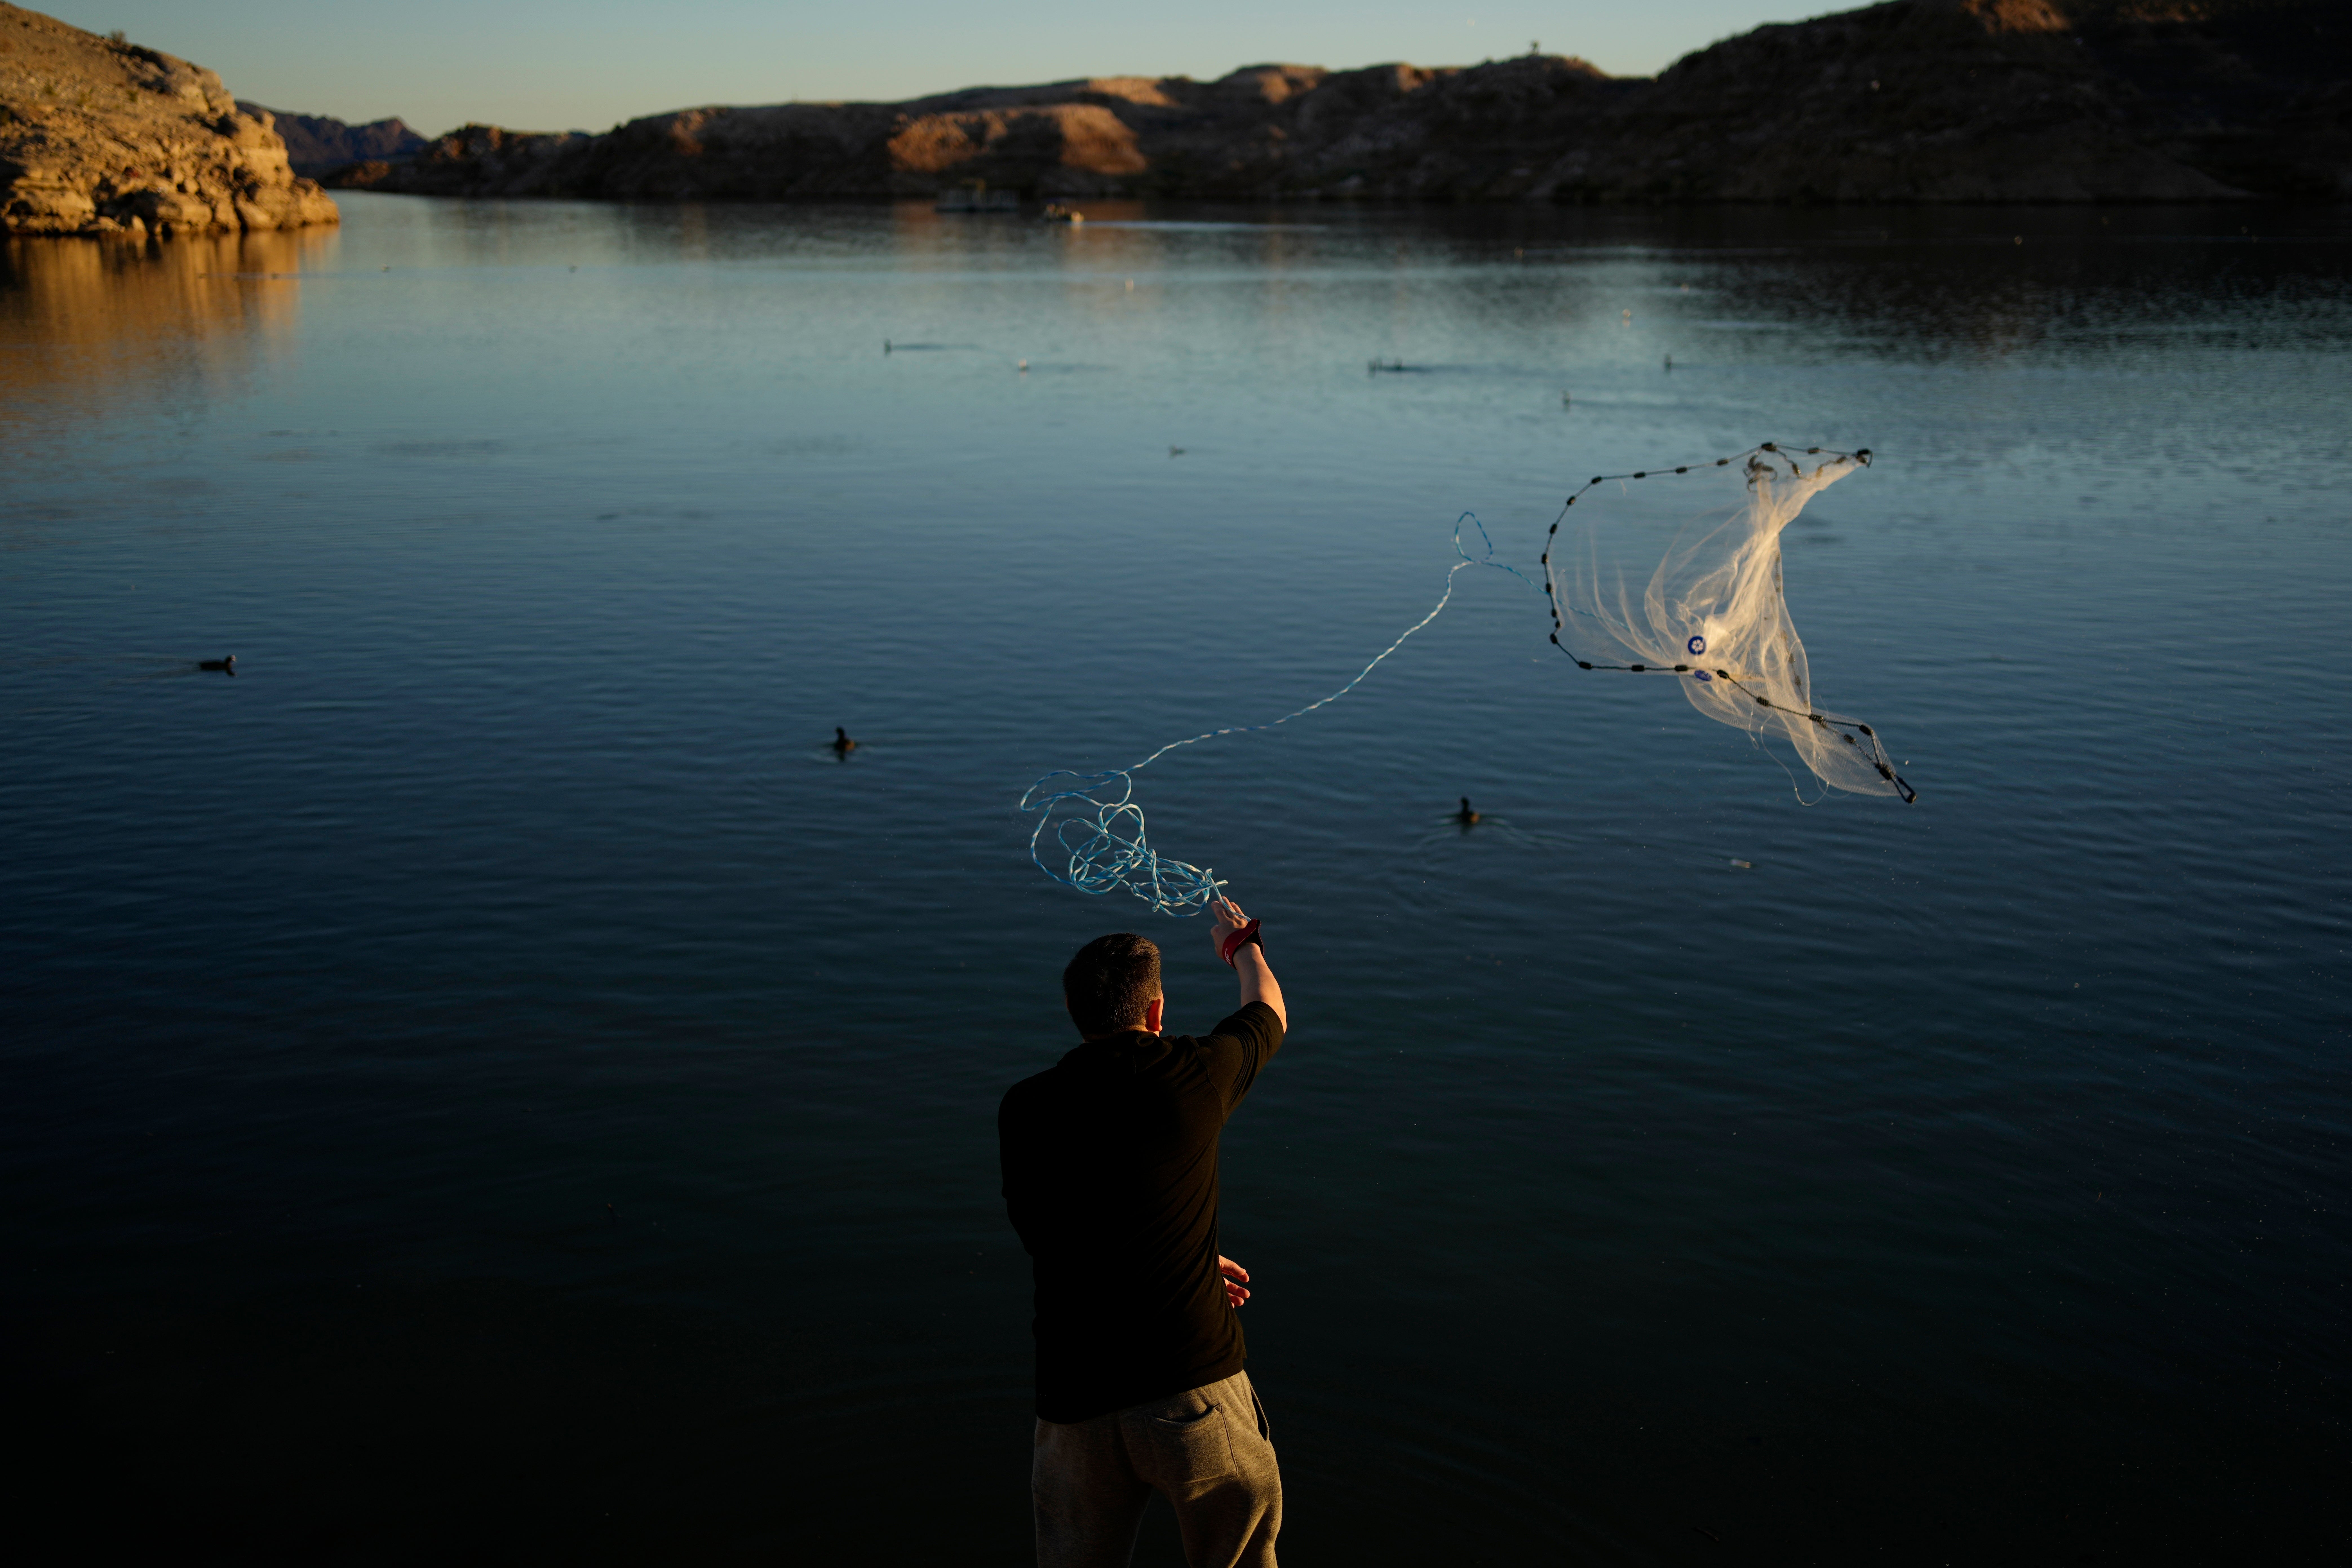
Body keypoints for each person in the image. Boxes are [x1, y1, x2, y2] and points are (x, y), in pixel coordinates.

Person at [999, 897, 1288, 1568]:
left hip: (1075, 1404)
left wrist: (1180, 1248)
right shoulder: (1193, 1075)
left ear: (1075, 1015)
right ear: (1156, 1012)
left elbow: (1045, 1228)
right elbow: (1268, 1011)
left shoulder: (1025, 1107)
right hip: (1193, 1389)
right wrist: (1241, 944)